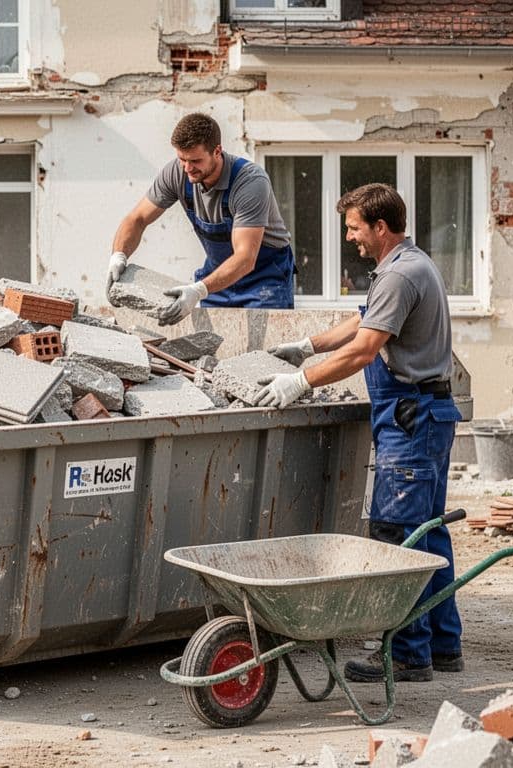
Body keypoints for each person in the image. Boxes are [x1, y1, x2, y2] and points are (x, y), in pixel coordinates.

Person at [254, 183, 462, 683]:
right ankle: (443, 645)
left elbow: (364, 349)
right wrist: (305, 345)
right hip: (426, 415)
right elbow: (360, 322)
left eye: (353, 228)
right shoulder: (406, 265)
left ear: (380, 227)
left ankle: (409, 654)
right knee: (429, 534)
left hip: (410, 420)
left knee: (397, 536)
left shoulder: (400, 275)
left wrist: (300, 381)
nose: (350, 237)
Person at [107, 112, 295, 322]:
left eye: (195, 160)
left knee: (263, 352)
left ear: (217, 151)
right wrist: (118, 256)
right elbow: (137, 219)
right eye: (182, 159)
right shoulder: (177, 174)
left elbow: (245, 258)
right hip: (218, 277)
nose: (187, 168)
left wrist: (198, 290)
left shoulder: (250, 183)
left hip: (264, 280)